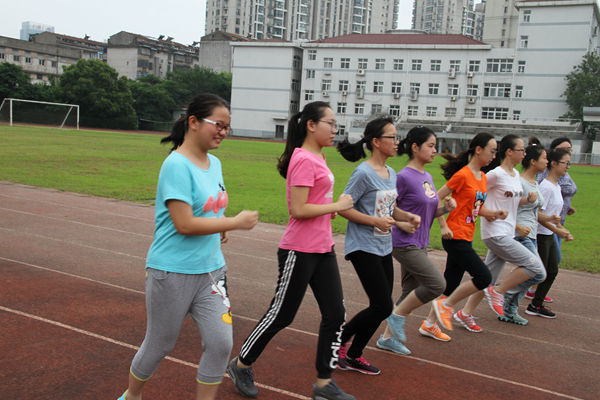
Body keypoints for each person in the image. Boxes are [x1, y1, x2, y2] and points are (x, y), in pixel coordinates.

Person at [118, 93, 259, 400]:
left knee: (221, 343)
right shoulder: (176, 165)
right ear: (194, 122)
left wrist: (221, 226)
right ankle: (132, 395)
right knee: (160, 344)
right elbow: (184, 223)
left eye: (227, 127)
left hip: (211, 272)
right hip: (171, 272)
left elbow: (210, 210)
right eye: (218, 124)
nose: (224, 131)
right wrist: (233, 222)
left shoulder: (215, 163)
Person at [227, 101, 356, 400]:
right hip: (299, 249)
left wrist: (328, 210)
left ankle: (324, 383)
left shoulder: (319, 156)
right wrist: (336, 205)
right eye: (331, 123)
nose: (335, 129)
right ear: (311, 125)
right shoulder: (303, 159)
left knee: (336, 315)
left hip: (323, 248)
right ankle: (241, 363)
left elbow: (313, 202)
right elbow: (297, 209)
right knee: (282, 314)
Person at [335, 118, 421, 372]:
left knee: (381, 305)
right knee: (382, 305)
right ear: (376, 141)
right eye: (392, 137)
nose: (397, 142)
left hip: (384, 246)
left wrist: (405, 219)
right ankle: (338, 340)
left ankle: (354, 355)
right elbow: (344, 208)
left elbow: (388, 207)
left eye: (397, 137)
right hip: (363, 246)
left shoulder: (391, 173)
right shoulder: (363, 173)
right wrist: (374, 221)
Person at [381, 126, 457, 348]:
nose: (435, 150)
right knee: (436, 284)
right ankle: (396, 317)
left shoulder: (427, 176)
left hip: (420, 242)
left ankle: (386, 338)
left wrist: (446, 209)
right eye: (431, 146)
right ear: (415, 147)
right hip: (404, 243)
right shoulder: (403, 177)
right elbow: (387, 207)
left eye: (436, 146)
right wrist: (400, 223)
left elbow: (428, 212)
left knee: (410, 292)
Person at [461, 134, 546, 326]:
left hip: (507, 232)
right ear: (509, 152)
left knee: (487, 278)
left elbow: (512, 203)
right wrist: (487, 212)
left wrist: (526, 200)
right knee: (534, 267)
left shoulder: (515, 175)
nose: (524, 153)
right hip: (495, 233)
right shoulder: (495, 174)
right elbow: (474, 196)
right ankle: (497, 293)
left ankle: (465, 313)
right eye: (521, 149)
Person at [430, 133, 500, 333]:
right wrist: (443, 225)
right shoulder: (463, 175)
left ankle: (428, 324)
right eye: (492, 151)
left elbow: (476, 208)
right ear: (478, 150)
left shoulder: (483, 177)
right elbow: (435, 199)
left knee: (450, 284)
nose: (493, 156)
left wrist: (494, 213)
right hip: (455, 236)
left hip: (467, 236)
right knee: (484, 277)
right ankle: (446, 306)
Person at [508, 142, 561, 324]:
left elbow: (535, 213)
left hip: (532, 233)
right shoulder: (520, 182)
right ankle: (502, 293)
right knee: (538, 273)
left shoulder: (535, 183)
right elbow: (508, 208)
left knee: (531, 272)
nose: (547, 161)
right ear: (532, 161)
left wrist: (551, 219)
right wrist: (517, 227)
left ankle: (510, 308)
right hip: (522, 234)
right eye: (544, 158)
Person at [525, 137, 578, 302]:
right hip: (541, 233)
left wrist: (560, 227)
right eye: (566, 162)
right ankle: (510, 294)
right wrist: (559, 230)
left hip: (550, 232)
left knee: (549, 269)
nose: (568, 166)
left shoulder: (556, 186)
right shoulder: (546, 186)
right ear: (553, 163)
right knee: (538, 270)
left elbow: (552, 212)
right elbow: (538, 213)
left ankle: (536, 301)